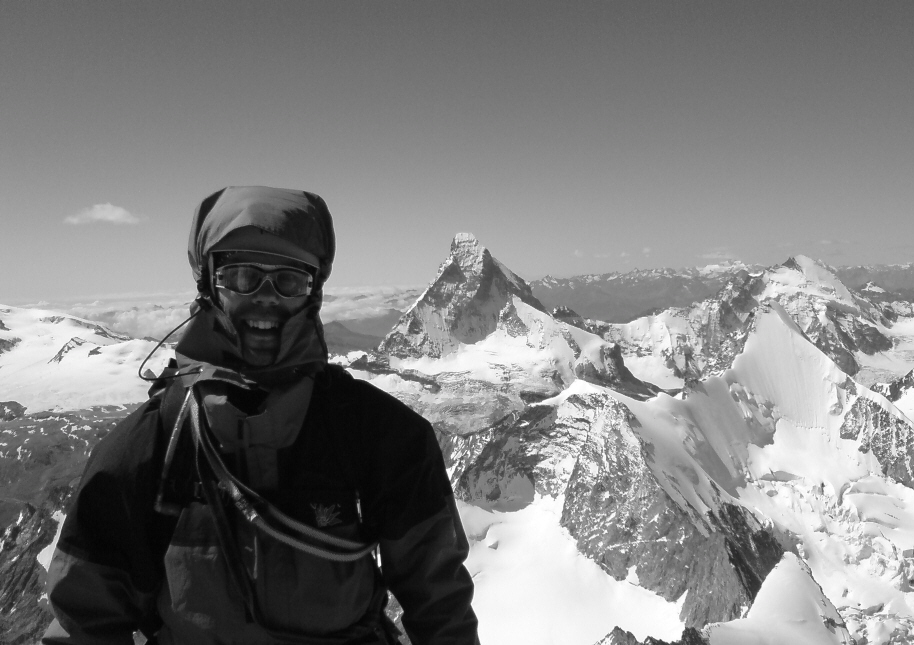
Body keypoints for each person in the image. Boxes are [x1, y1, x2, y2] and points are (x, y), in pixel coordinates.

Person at [42, 186, 480, 645]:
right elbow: (84, 621)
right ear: (209, 283)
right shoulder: (147, 448)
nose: (266, 298)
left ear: (314, 292)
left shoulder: (384, 438)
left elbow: (439, 602)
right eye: (242, 276)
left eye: (290, 280)